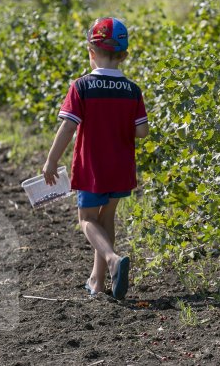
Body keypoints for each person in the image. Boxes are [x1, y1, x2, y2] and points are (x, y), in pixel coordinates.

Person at [42, 17, 149, 300]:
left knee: (86, 220)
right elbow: (142, 131)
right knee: (107, 218)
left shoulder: (82, 86)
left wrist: (51, 160)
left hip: (92, 167)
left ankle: (113, 259)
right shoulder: (133, 90)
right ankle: (98, 282)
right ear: (124, 55)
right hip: (120, 166)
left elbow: (68, 126)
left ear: (91, 52)